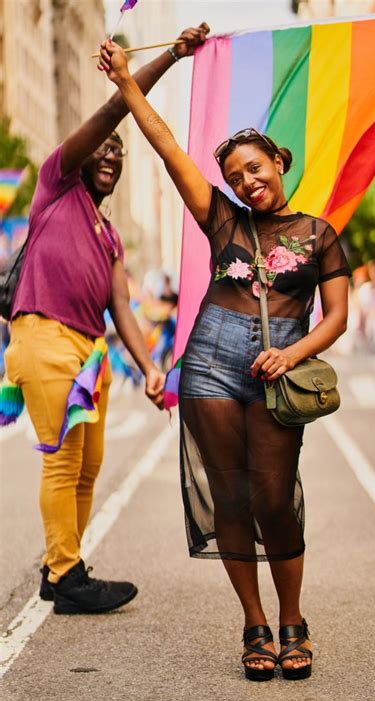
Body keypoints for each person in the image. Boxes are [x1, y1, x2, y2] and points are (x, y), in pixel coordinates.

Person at [98, 40, 350, 679]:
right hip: (210, 362)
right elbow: (166, 147)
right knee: (231, 497)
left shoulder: (319, 234)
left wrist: (290, 354)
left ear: (277, 160)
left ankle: (293, 618)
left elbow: (340, 317)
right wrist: (128, 81)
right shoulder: (221, 221)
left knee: (273, 495)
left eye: (254, 169)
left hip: (278, 368)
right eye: (236, 176)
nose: (247, 182)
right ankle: (257, 626)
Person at [4, 24, 209, 615]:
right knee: (65, 459)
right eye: (106, 145)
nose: (112, 154)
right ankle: (66, 576)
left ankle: (60, 565)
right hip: (44, 337)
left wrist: (149, 367)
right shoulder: (55, 184)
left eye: (119, 152)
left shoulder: (109, 232)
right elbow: (117, 106)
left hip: (91, 352)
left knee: (90, 465)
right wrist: (171, 53)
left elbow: (121, 305)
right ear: (84, 149)